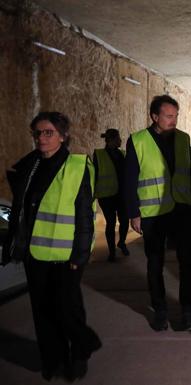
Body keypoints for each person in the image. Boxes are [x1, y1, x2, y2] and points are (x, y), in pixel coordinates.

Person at [2, 112, 101, 381]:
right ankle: (53, 361)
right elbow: (22, 211)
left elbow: (84, 215)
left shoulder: (77, 166)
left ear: (62, 136)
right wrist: (14, 244)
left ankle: (82, 350)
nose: (42, 138)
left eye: (48, 132)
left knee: (67, 310)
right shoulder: (29, 166)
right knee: (42, 312)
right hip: (35, 253)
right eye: (37, 133)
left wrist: (80, 255)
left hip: (66, 254)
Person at [124, 95, 191, 332]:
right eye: (168, 116)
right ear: (155, 116)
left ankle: (188, 310)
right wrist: (134, 212)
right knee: (155, 262)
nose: (173, 120)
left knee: (187, 262)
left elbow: (190, 175)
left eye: (176, 115)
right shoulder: (138, 141)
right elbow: (129, 179)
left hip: (182, 209)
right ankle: (160, 310)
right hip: (153, 212)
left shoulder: (184, 139)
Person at [93, 128, 129, 262]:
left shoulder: (123, 154)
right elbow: (95, 175)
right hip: (106, 195)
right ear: (112, 140)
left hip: (121, 194)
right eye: (118, 138)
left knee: (124, 220)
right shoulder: (99, 155)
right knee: (111, 223)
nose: (120, 140)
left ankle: (122, 242)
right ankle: (112, 251)